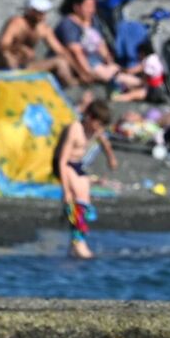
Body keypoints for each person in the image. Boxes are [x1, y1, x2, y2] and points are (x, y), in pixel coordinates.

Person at [57, 100, 113, 259]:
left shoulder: (94, 130)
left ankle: (74, 244)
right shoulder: (75, 129)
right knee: (78, 203)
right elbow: (62, 159)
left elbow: (103, 139)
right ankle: (79, 245)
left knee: (85, 204)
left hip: (78, 165)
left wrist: (111, 157)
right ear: (89, 117)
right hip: (65, 164)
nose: (99, 128)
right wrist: (66, 190)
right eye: (98, 124)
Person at [56, 0, 138, 93]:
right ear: (77, 7)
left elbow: (101, 43)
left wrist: (108, 61)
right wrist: (86, 72)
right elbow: (76, 52)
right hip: (82, 64)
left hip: (96, 61)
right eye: (88, 6)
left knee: (116, 69)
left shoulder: (93, 20)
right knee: (113, 75)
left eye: (93, 6)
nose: (92, 10)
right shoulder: (68, 24)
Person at [0, 0, 78, 85]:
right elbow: (2, 45)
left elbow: (61, 51)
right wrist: (21, 48)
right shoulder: (17, 23)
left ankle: (72, 88)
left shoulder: (43, 28)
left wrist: (80, 71)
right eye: (39, 12)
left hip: (26, 66)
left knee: (61, 62)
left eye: (43, 12)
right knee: (7, 55)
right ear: (30, 11)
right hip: (5, 65)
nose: (42, 15)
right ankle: (14, 83)